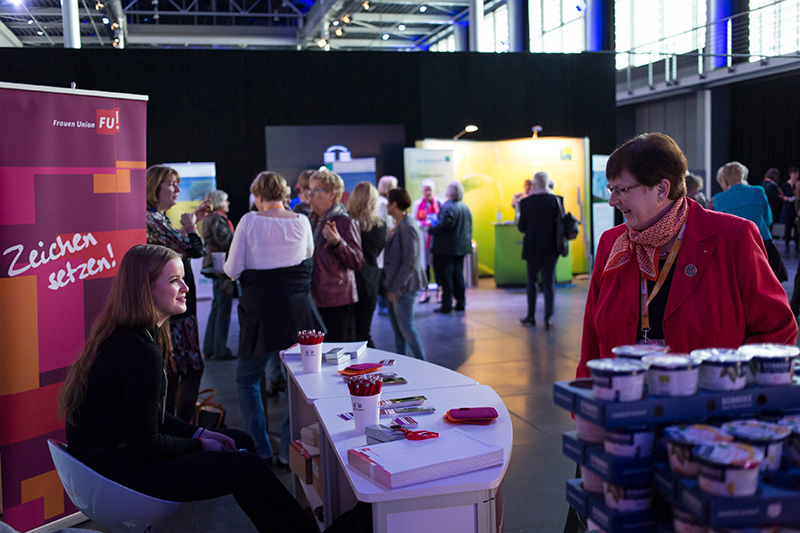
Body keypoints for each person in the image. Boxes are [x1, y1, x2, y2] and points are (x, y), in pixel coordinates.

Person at [58, 244, 319, 533]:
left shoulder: (125, 335)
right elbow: (146, 443)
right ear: (145, 290)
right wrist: (202, 444)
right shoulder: (140, 351)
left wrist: (201, 433)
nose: (186, 288)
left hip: (110, 463)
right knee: (248, 467)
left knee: (241, 441)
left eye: (183, 279)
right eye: (174, 281)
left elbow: (148, 417)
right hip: (119, 475)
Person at [577, 133, 797, 379]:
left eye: (622, 190)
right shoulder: (612, 243)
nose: (612, 201)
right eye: (611, 189)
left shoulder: (734, 237)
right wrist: (587, 395)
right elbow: (592, 337)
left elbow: (778, 328)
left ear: (661, 189)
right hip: (624, 395)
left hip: (709, 399)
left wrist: (733, 384)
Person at [224, 171, 322, 462]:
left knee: (247, 380)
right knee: (299, 383)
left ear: (258, 196)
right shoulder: (302, 221)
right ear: (284, 194)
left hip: (261, 314)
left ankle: (261, 448)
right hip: (299, 313)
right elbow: (307, 257)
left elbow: (232, 269)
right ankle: (290, 450)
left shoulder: (249, 221)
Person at [145, 165, 210, 422]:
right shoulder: (152, 220)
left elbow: (175, 247)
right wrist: (192, 228)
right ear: (154, 187)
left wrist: (191, 223)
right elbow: (194, 250)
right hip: (172, 309)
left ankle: (173, 428)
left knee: (177, 372)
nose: (178, 189)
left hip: (174, 305)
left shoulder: (157, 219)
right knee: (188, 369)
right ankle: (181, 429)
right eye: (171, 184)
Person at [308, 169, 365, 341]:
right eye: (309, 189)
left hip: (336, 300)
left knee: (337, 351)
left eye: (316, 190)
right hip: (313, 298)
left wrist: (338, 243)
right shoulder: (310, 221)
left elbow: (357, 261)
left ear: (332, 194)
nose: (310, 195)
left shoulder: (345, 222)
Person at [714, 161, 788, 282]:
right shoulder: (758, 191)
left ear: (725, 180)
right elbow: (768, 218)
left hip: (734, 249)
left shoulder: (719, 199)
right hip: (761, 244)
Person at [384, 188, 428, 360]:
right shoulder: (400, 223)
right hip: (398, 285)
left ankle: (423, 364)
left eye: (388, 203)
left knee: (406, 329)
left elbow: (409, 261)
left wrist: (396, 288)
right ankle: (402, 364)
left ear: (394, 204)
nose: (386, 206)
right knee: (399, 330)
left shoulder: (407, 225)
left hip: (405, 286)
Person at [517, 171, 561, 330]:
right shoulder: (556, 200)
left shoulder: (525, 202)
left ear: (534, 184)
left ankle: (531, 315)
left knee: (532, 281)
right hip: (551, 248)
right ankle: (548, 317)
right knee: (549, 283)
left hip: (532, 247)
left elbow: (522, 227)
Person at [347, 182, 386, 348]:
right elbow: (376, 252)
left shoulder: (347, 223)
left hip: (350, 282)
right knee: (364, 332)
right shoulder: (381, 226)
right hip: (370, 280)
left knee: (349, 333)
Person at [201, 189, 236, 361]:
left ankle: (211, 347)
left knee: (218, 307)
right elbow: (227, 242)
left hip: (216, 268)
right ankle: (219, 349)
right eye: (225, 200)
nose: (228, 203)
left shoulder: (212, 219)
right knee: (223, 309)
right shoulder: (216, 220)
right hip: (221, 270)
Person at [429, 180, 473, 313]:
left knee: (446, 277)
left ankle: (446, 305)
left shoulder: (448, 207)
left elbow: (444, 224)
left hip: (446, 249)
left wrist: (431, 230)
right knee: (458, 276)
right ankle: (460, 302)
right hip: (461, 248)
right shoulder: (465, 207)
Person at [375, 175, 399, 315]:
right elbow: (387, 225)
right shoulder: (383, 204)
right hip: (386, 245)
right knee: (384, 276)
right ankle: (384, 305)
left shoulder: (380, 202)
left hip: (383, 245)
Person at [415, 179, 440, 304]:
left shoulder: (438, 203)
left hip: (435, 237)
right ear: (422, 191)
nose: (428, 192)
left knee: (437, 265)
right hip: (423, 237)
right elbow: (414, 221)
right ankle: (425, 291)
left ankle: (439, 291)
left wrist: (432, 222)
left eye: (430, 190)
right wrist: (423, 223)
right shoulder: (418, 204)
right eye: (426, 190)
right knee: (425, 266)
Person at [780, 167, 797, 250]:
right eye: (794, 173)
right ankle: (787, 244)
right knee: (788, 226)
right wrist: (787, 199)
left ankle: (797, 245)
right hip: (788, 207)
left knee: (796, 227)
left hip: (796, 207)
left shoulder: (798, 184)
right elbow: (781, 195)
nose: (796, 175)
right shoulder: (785, 185)